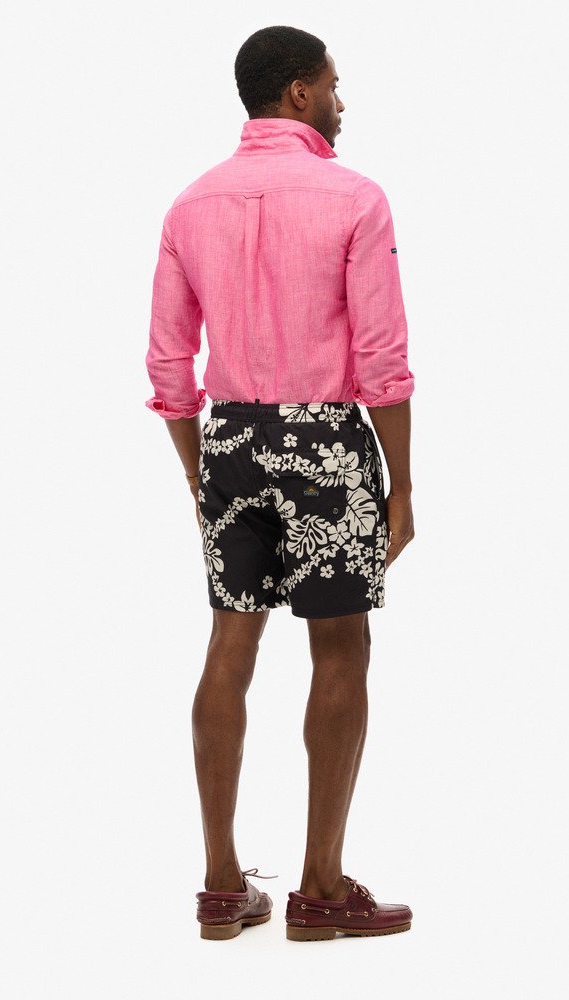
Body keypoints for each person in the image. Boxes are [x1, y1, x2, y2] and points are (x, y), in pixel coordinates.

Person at [144, 25, 416, 941]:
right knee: (340, 648)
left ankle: (223, 886)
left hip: (227, 437)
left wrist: (198, 468)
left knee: (231, 640)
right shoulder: (355, 198)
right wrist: (402, 486)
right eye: (334, 85)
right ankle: (321, 888)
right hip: (325, 441)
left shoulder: (190, 204)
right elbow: (382, 358)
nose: (342, 100)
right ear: (300, 92)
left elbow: (168, 362)